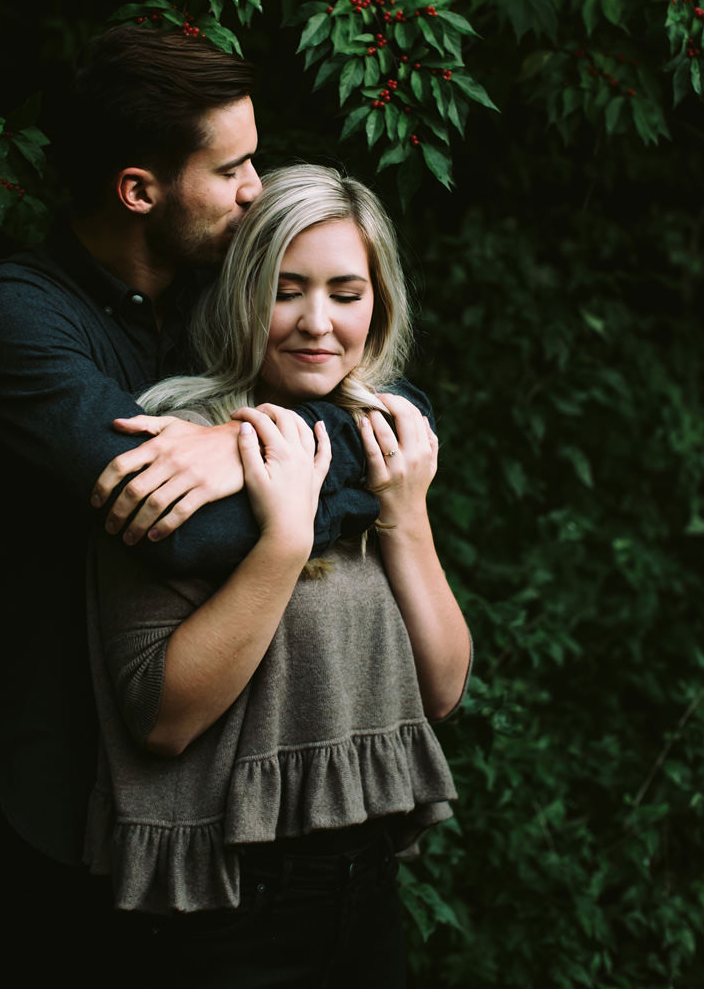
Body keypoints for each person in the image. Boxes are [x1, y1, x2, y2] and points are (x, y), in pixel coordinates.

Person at [0, 25, 429, 981]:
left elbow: (397, 407)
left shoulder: (223, 297)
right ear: (141, 191)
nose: (256, 188)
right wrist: (302, 473)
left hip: (218, 812)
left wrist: (236, 443)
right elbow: (194, 529)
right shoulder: (20, 321)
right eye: (234, 169)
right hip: (62, 794)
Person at [85, 164, 470, 985]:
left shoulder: (380, 447)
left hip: (364, 879)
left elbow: (442, 688)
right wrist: (284, 540)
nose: (317, 323)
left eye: (346, 291)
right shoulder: (176, 446)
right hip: (225, 901)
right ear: (241, 295)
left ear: (381, 304)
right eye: (286, 290)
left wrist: (407, 514)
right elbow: (162, 719)